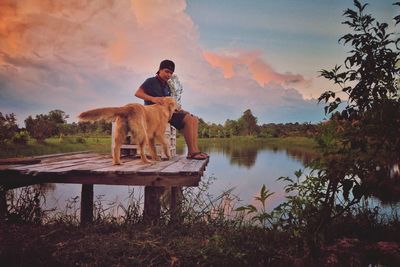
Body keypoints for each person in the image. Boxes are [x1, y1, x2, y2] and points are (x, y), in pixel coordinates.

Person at [135, 59, 208, 160]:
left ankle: (195, 150)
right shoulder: (150, 81)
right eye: (166, 71)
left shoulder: (167, 86)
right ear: (159, 70)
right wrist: (153, 98)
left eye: (171, 73)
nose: (168, 75)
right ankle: (192, 152)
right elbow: (138, 93)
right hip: (154, 114)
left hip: (167, 114)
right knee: (187, 119)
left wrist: (180, 110)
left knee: (194, 119)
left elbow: (170, 104)